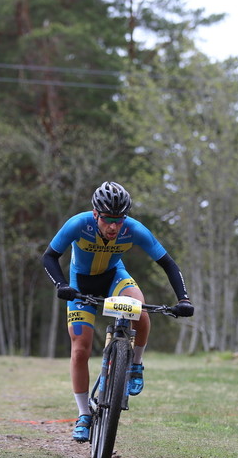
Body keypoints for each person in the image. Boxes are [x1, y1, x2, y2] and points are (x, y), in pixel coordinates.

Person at [42, 181, 194, 442]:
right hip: (80, 285)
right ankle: (84, 415)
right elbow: (49, 256)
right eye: (107, 220)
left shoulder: (134, 229)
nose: (113, 227)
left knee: (141, 312)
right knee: (80, 349)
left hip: (114, 277)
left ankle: (135, 365)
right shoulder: (78, 224)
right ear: (95, 214)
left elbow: (168, 263)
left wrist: (184, 299)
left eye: (119, 220)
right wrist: (61, 285)